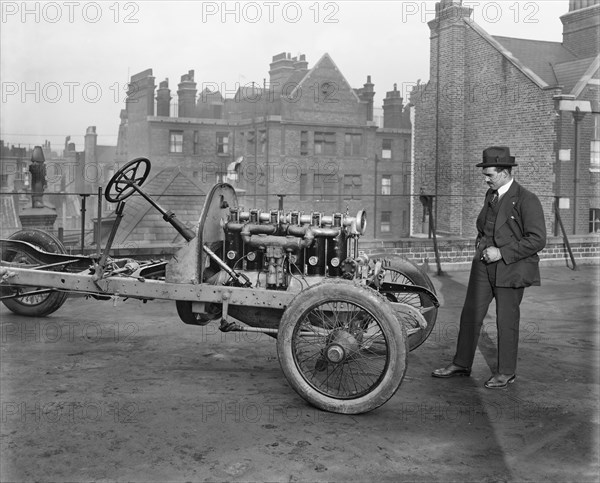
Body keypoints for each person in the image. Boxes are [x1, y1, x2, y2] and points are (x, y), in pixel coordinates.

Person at [432, 146, 546, 389]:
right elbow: (486, 225)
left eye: (490, 174)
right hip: (484, 265)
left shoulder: (527, 200)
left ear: (504, 173)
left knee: (506, 321)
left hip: (510, 268)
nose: (486, 179)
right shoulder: (491, 195)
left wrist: (501, 252)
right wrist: (482, 245)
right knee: (471, 314)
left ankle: (506, 372)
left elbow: (537, 239)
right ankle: (461, 363)